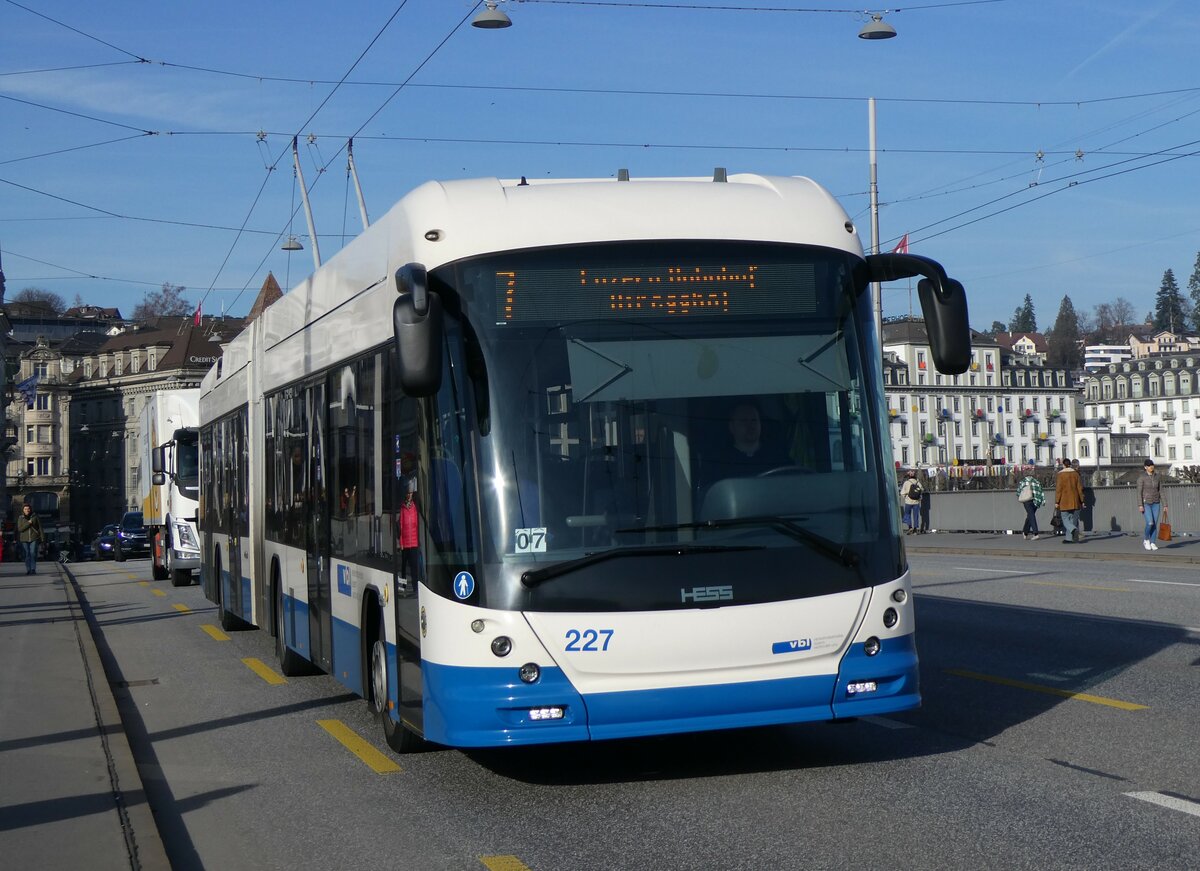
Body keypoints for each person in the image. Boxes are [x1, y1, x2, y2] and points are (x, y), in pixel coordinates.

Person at [709, 401, 790, 481]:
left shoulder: (778, 457)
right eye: (744, 420)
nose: (750, 425)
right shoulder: (720, 462)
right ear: (732, 427)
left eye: (754, 420)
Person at [1055, 457, 1085, 544]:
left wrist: (1057, 502)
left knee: (1065, 518)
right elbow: (1079, 488)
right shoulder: (1075, 474)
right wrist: (1082, 500)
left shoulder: (1060, 475)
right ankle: (1069, 538)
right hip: (1075, 500)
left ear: (1063, 465)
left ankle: (1073, 530)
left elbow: (1059, 489)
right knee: (1072, 519)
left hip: (1064, 500)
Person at [1137, 458, 1163, 551]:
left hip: (1156, 502)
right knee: (1150, 522)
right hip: (1146, 503)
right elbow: (1139, 492)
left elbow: (1161, 491)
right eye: (1149, 465)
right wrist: (1140, 505)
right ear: (1145, 467)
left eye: (1152, 465)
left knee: (1154, 524)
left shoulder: (1157, 477)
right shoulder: (1141, 478)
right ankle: (1146, 540)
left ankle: (1153, 542)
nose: (1151, 467)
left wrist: (1165, 505)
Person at [17, 503, 44, 575]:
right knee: (27, 554)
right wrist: (28, 523)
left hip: (34, 538)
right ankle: (28, 569)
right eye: (25, 509)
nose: (27, 510)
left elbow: (40, 527)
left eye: (28, 509)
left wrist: (42, 538)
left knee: (33, 553)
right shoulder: (20, 518)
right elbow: (20, 529)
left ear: (30, 509)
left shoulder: (35, 516)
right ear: (23, 510)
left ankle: (33, 569)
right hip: (24, 539)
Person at [1016, 472, 1044, 540]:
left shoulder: (1023, 482)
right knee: (1031, 515)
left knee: (1030, 516)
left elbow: (1018, 492)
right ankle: (1030, 532)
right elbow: (1041, 491)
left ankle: (1032, 533)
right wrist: (1042, 501)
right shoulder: (1036, 482)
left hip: (1026, 501)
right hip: (1036, 501)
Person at [899, 469, 922, 534]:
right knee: (916, 515)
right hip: (916, 501)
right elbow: (921, 490)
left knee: (907, 514)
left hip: (908, 501)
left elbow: (902, 493)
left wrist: (906, 497)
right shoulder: (917, 482)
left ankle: (910, 527)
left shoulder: (906, 482)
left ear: (909, 476)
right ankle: (916, 528)